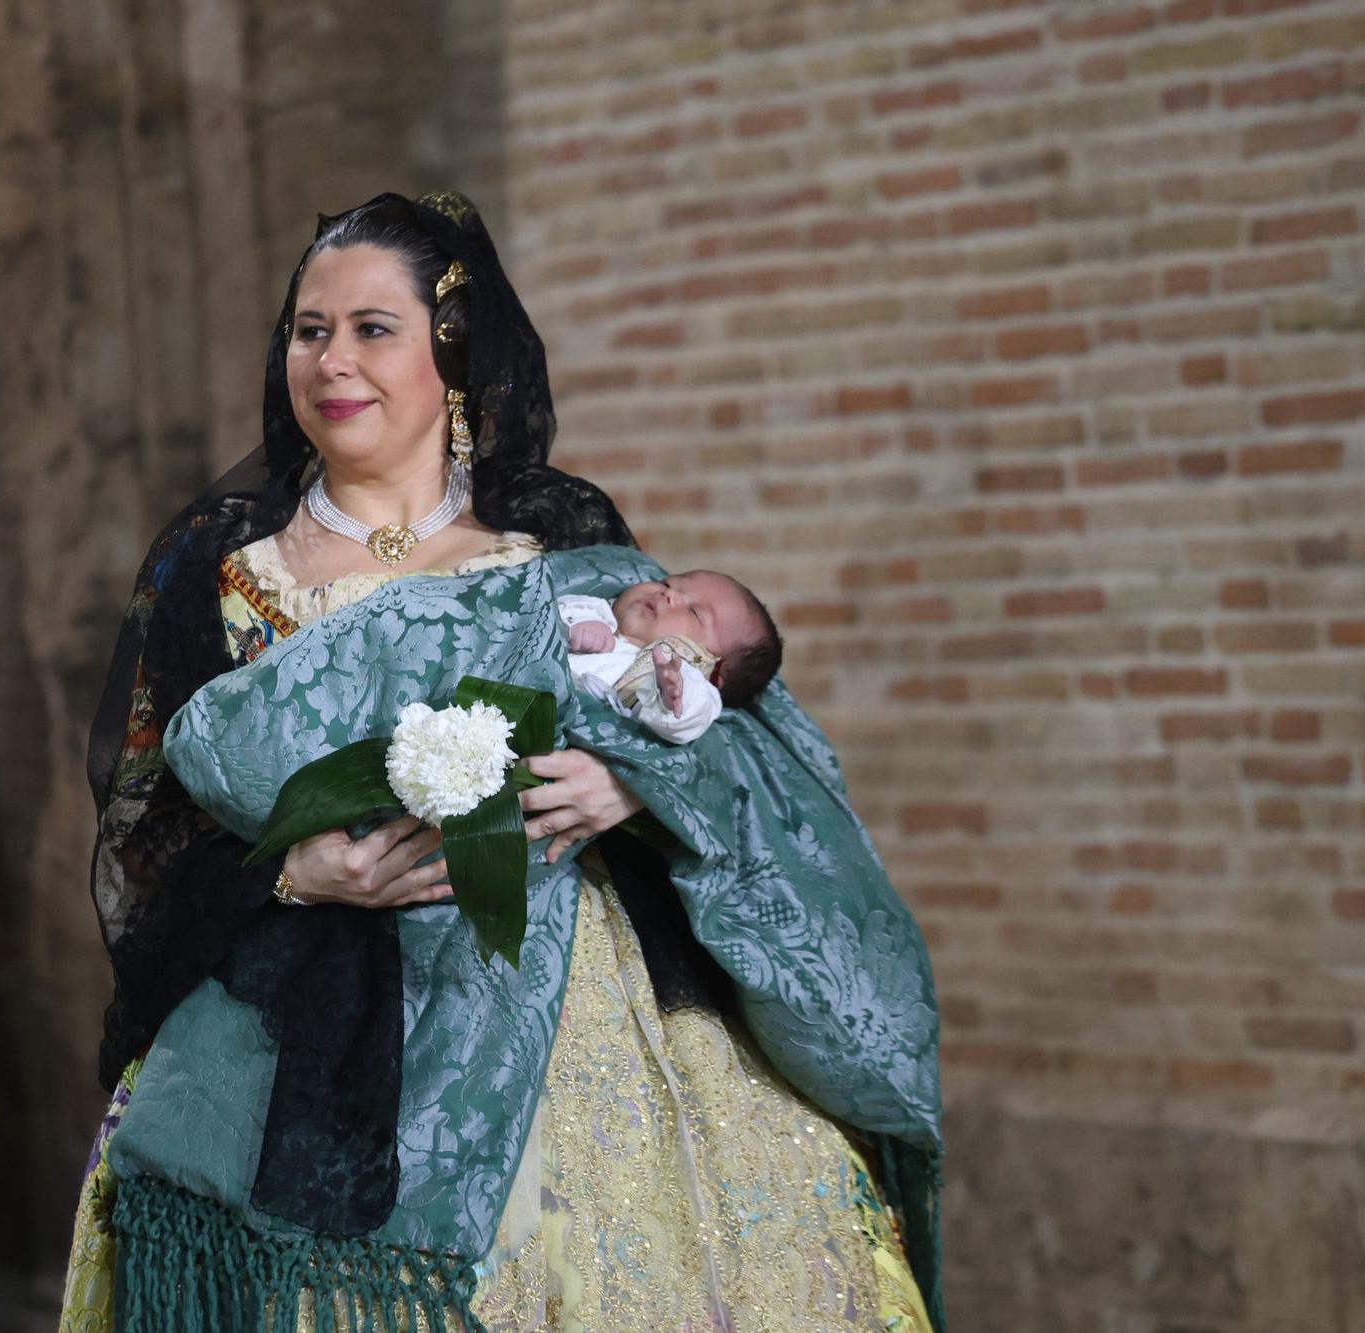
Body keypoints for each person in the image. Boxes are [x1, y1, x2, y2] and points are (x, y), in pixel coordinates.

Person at [60, 193, 943, 1331]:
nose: (332, 361)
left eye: (373, 328)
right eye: (307, 328)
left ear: (454, 352)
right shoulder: (217, 568)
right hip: (314, 1017)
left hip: (584, 992)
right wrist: (293, 873)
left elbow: (718, 717)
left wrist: (635, 780)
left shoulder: (555, 531)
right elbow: (151, 820)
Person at [559, 567, 782, 745]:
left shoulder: (680, 680)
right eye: (667, 583)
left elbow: (688, 715)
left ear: (712, 670)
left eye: (694, 612)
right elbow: (543, 611)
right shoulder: (597, 610)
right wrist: (580, 622)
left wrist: (674, 692)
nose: (670, 594)